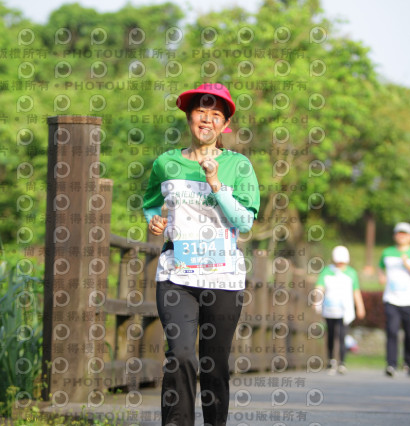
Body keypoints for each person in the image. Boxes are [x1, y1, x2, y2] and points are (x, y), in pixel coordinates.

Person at [142, 83, 260, 426]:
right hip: (176, 275)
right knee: (180, 355)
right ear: (189, 117)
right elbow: (151, 202)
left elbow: (244, 222)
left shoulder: (239, 165)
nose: (207, 119)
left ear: (225, 125)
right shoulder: (166, 162)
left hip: (223, 278)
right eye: (200, 112)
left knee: (214, 363)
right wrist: (154, 219)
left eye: (215, 114)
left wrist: (216, 183)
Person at [378, 222, 410, 377]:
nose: (402, 236)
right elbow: (380, 267)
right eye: (399, 233)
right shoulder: (387, 252)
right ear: (395, 235)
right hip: (391, 298)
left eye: (405, 234)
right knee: (392, 331)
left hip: (409, 299)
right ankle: (391, 364)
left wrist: (407, 264)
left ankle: (409, 362)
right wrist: (381, 276)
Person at [314, 245, 366, 375]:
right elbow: (319, 288)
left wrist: (360, 307)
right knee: (331, 335)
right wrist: (316, 302)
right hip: (329, 309)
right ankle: (331, 360)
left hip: (345, 310)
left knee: (342, 335)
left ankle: (342, 362)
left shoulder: (351, 273)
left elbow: (356, 291)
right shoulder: (326, 271)